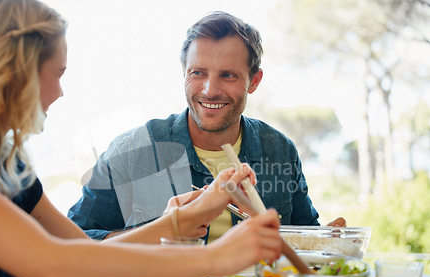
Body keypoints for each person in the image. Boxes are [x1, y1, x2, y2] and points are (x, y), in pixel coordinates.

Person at [0, 1, 283, 277]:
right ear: (12, 73)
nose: (60, 92)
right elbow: (57, 268)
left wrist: (179, 221)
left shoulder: (7, 163)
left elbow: (85, 252)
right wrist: (217, 258)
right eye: (57, 73)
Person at [68, 11, 346, 242]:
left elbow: (303, 240)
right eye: (197, 73)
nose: (210, 91)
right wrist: (159, 233)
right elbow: (73, 240)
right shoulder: (132, 151)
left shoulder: (279, 150)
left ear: (254, 81)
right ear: (184, 73)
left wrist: (326, 241)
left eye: (228, 75)